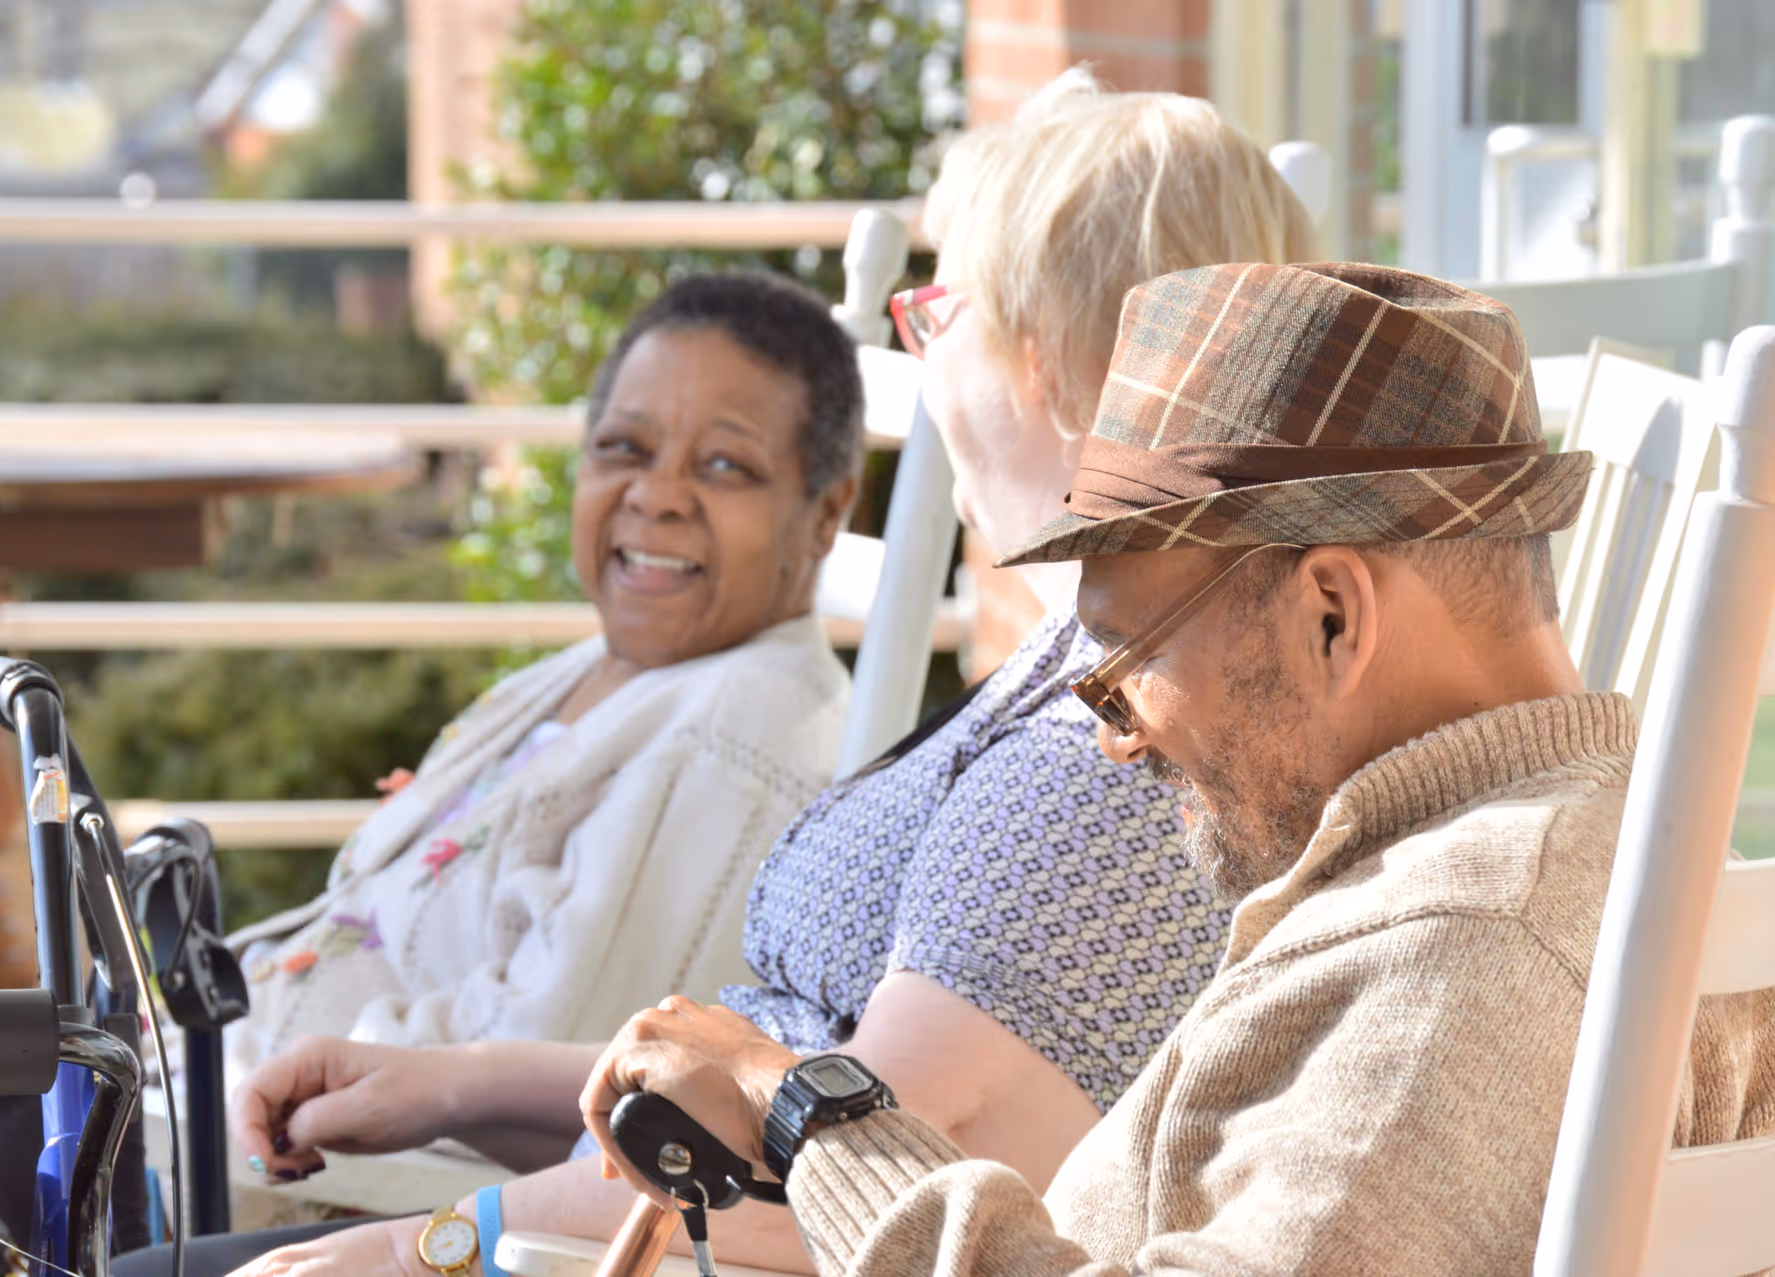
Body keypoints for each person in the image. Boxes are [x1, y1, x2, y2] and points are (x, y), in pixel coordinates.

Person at [112, 75, 1316, 1277]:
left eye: (940, 311)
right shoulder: (1081, 664)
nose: (928, 357)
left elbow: (852, 1177)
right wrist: (458, 1083)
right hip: (605, 1200)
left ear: (1040, 356)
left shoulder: (1118, 749)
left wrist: (431, 1241)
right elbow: (771, 1101)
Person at [581, 261, 1775, 1276]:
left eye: (1124, 664)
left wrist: (811, 1111)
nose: (1116, 733)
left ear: (1330, 615)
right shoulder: (1578, 859)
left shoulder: (1472, 943)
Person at [226, 270, 863, 1067]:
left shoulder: (738, 733)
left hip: (311, 1158)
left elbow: (547, 1054)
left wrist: (251, 1082)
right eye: (624, 448)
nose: (656, 496)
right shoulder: (591, 673)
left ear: (826, 513)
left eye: (725, 466)